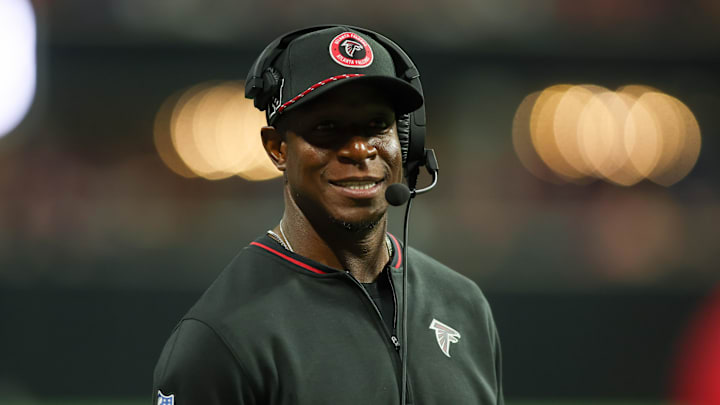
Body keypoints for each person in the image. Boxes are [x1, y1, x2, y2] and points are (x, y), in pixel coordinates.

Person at [152, 25, 503, 405]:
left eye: (377, 126)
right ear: (278, 149)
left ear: (405, 142)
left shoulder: (464, 306)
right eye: (327, 128)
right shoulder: (223, 335)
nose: (358, 149)